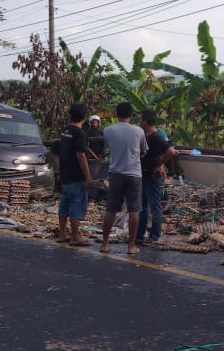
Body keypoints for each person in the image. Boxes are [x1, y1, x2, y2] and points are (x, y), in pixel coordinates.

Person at [100, 102, 148, 255]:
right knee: (134, 210)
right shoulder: (139, 131)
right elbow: (144, 151)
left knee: (111, 209)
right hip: (134, 174)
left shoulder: (108, 130)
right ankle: (131, 246)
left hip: (116, 173)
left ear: (116, 114)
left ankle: (105, 244)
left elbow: (107, 147)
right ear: (132, 115)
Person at [56, 103, 95, 246]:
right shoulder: (80, 133)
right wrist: (88, 176)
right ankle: (75, 236)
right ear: (85, 117)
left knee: (64, 204)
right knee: (75, 205)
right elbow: (81, 155)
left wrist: (58, 172)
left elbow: (58, 152)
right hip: (76, 175)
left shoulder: (65, 130)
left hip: (65, 173)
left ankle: (62, 233)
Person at [137, 110, 176, 244]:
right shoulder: (146, 135)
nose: (139, 122)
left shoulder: (155, 136)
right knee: (143, 206)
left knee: (154, 206)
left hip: (152, 175)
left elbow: (171, 151)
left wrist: (159, 164)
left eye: (141, 120)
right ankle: (139, 235)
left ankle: (154, 236)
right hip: (145, 174)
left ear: (145, 122)